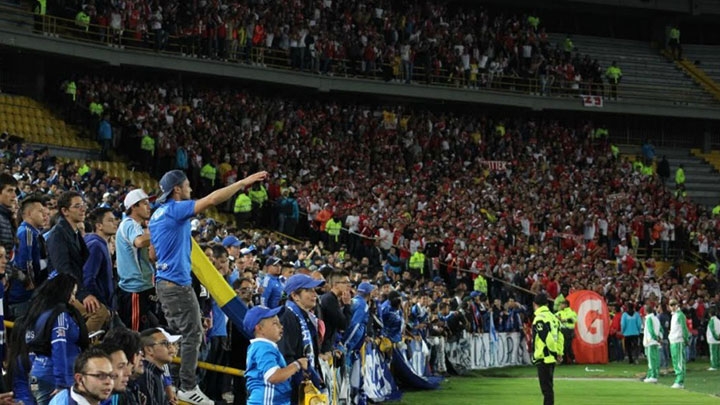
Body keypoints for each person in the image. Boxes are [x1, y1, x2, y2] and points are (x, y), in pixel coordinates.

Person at [148, 169, 266, 405]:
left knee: (180, 334)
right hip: (178, 285)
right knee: (193, 335)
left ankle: (170, 383)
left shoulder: (156, 215)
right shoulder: (175, 209)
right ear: (177, 190)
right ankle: (187, 387)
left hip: (165, 284)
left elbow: (152, 253)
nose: (191, 190)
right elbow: (212, 200)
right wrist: (242, 182)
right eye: (188, 186)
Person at [47, 191, 110, 333]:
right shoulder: (58, 234)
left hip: (75, 288)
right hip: (64, 291)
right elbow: (63, 270)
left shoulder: (74, 232)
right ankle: (77, 346)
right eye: (77, 206)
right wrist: (82, 294)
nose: (83, 209)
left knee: (104, 313)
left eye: (83, 205)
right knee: (99, 313)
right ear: (65, 211)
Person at [24, 274, 89, 405]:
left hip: (38, 373)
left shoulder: (38, 311)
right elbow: (59, 348)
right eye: (72, 294)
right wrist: (61, 383)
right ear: (63, 291)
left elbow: (30, 345)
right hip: (51, 377)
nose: (73, 299)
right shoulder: (59, 315)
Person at [244, 305, 309, 405]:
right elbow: (273, 376)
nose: (281, 326)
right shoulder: (263, 347)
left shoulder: (263, 346)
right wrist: (297, 365)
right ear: (259, 329)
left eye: (280, 322)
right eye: (275, 323)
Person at [116, 189, 161, 331]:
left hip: (143, 286)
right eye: (145, 203)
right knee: (135, 333)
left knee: (147, 330)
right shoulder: (129, 224)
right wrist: (162, 231)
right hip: (135, 289)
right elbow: (140, 242)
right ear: (133, 207)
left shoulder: (138, 227)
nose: (149, 207)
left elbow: (149, 257)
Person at [277, 274, 326, 404]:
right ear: (295, 296)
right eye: (308, 290)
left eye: (314, 290)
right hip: (293, 386)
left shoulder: (306, 316)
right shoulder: (287, 317)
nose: (314, 294)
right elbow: (286, 354)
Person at [9, 196, 47, 320]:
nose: (44, 214)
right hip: (24, 297)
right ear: (30, 213)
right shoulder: (26, 232)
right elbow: (25, 263)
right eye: (40, 211)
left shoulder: (32, 232)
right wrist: (31, 285)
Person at [47, 347, 115, 405]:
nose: (109, 382)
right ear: (79, 379)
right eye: (100, 376)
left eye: (111, 375)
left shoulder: (105, 399)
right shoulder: (63, 402)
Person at [82, 208, 117, 314]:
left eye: (115, 220)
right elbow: (88, 278)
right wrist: (103, 304)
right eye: (110, 221)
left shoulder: (99, 243)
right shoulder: (95, 245)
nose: (115, 223)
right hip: (99, 305)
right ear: (99, 226)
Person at [532, 293, 563, 405]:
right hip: (551, 359)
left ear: (534, 304)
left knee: (546, 390)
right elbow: (560, 337)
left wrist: (555, 353)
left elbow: (547, 338)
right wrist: (559, 352)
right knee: (549, 388)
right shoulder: (553, 317)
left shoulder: (539, 319)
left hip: (544, 357)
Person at [136, 328, 174, 405]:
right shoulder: (146, 373)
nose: (171, 347)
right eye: (165, 343)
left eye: (170, 343)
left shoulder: (156, 372)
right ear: (149, 349)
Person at [319, 270, 352, 353]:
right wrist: (347, 305)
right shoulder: (329, 299)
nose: (348, 285)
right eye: (345, 282)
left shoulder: (331, 298)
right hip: (324, 348)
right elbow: (343, 325)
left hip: (328, 345)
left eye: (349, 282)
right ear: (335, 285)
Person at [343, 282, 376, 352]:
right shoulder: (363, 305)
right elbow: (355, 325)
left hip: (348, 341)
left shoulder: (353, 300)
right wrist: (346, 343)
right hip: (349, 344)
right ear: (369, 294)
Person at [668, 299, 689, 389]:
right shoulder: (674, 315)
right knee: (676, 361)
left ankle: (680, 381)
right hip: (673, 341)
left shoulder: (680, 315)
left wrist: (686, 339)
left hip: (679, 340)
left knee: (679, 361)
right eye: (671, 305)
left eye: (674, 305)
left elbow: (684, 328)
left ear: (677, 305)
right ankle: (678, 379)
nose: (672, 307)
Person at [642, 303, 662, 383]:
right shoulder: (656, 318)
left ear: (646, 311)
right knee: (655, 359)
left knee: (651, 360)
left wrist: (655, 338)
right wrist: (659, 338)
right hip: (655, 342)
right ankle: (651, 374)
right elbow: (661, 329)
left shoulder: (649, 319)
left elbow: (650, 330)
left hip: (650, 341)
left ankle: (653, 375)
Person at [555, 299, 577, 364]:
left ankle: (571, 359)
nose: (560, 305)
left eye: (562, 304)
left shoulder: (572, 312)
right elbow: (553, 317)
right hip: (561, 330)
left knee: (567, 345)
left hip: (569, 331)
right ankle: (566, 360)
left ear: (566, 305)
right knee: (562, 345)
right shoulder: (559, 312)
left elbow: (574, 320)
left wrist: (565, 320)